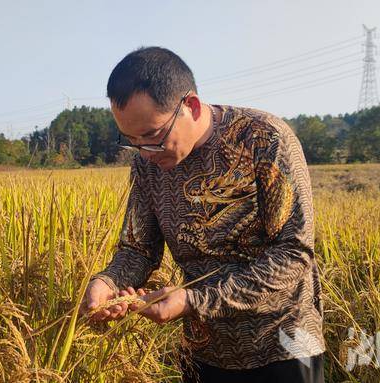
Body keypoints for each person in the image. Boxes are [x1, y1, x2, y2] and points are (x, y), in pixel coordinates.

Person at [81, 46, 325, 382]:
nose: (145, 153)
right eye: (131, 141)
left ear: (191, 107)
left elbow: (293, 254)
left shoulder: (264, 139)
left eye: (153, 137)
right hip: (204, 351)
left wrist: (193, 300)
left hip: (283, 346)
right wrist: (107, 282)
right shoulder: (146, 164)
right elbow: (138, 249)